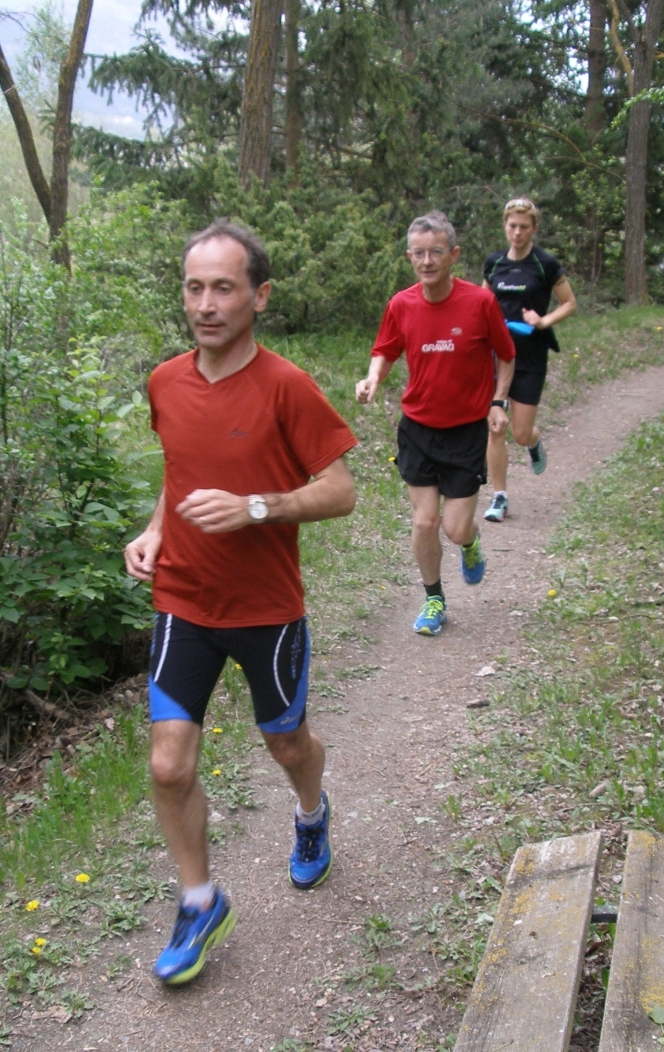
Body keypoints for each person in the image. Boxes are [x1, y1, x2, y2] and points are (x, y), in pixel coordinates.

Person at [124, 220, 357, 985]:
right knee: (167, 766)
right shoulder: (164, 381)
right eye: (195, 287)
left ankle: (312, 814)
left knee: (287, 744)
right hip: (184, 599)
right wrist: (156, 531)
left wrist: (258, 507)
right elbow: (180, 473)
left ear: (259, 295)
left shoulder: (287, 386)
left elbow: (341, 491)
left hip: (266, 609)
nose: (206, 303)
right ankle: (199, 901)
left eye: (224, 287)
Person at [355, 211, 515, 637]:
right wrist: (373, 378)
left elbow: (507, 354)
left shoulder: (479, 303)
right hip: (418, 429)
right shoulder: (401, 304)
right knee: (425, 522)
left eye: (436, 252)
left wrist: (498, 402)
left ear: (453, 255)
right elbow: (385, 350)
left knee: (455, 526)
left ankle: (470, 541)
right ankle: (434, 599)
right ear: (410, 256)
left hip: (465, 431)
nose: (427, 261)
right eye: (419, 253)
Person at [481, 197, 576, 523]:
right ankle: (499, 497)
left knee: (519, 433)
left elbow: (569, 304)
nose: (517, 232)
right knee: (495, 428)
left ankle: (534, 441)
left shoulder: (545, 264)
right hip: (496, 356)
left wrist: (543, 321)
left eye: (524, 227)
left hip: (530, 356)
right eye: (512, 226)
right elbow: (482, 303)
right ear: (505, 227)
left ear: (534, 229)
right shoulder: (494, 264)